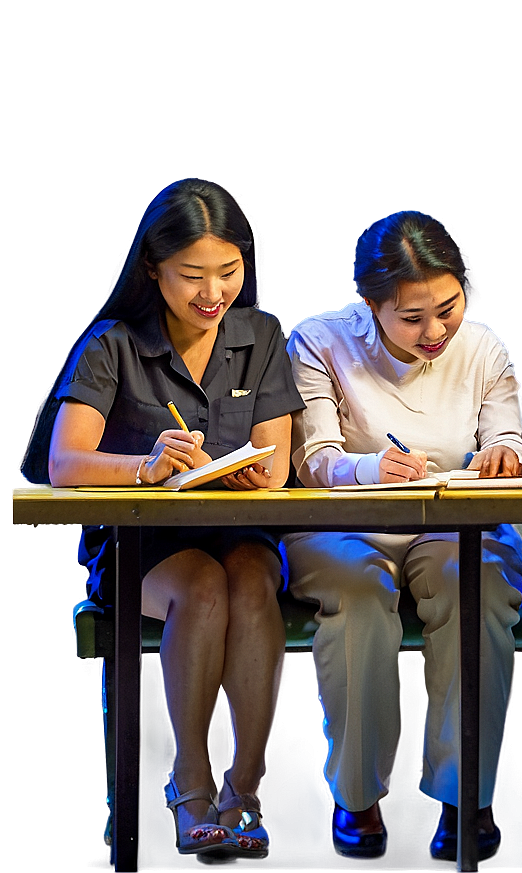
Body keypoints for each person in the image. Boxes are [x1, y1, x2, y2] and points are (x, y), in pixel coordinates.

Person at [22, 177, 305, 862]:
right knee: (201, 586)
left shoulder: (262, 334)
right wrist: (144, 468)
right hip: (141, 544)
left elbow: (277, 464)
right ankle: (194, 787)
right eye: (192, 276)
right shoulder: (112, 343)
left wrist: (253, 473)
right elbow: (65, 462)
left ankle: (247, 792)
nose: (213, 293)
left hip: (240, 532)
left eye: (228, 272)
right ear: (153, 268)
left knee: (247, 578)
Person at [281, 210, 522, 860]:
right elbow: (314, 462)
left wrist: (505, 453)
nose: (436, 331)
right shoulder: (320, 341)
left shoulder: (482, 346)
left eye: (447, 309)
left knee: (474, 587)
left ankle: (465, 794)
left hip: (455, 525)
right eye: (412, 316)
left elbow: (508, 432)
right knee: (360, 600)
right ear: (370, 306)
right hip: (347, 526)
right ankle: (357, 796)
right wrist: (372, 468)